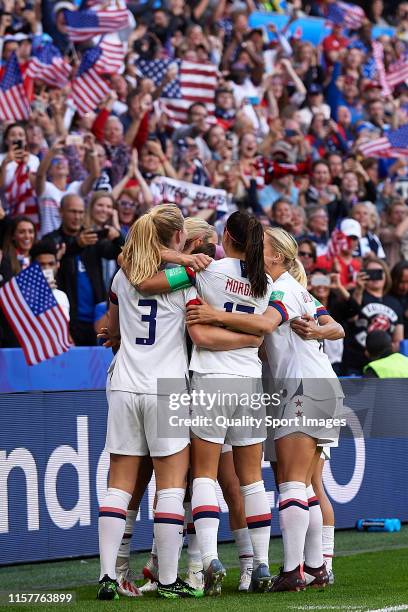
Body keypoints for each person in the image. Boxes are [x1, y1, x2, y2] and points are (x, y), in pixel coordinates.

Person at [98, 205, 262, 600]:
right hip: (170, 384)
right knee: (173, 486)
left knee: (119, 483)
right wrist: (187, 262)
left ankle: (109, 576)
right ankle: (173, 578)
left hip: (123, 382)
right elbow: (194, 321)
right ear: (176, 239)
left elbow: (114, 323)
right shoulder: (187, 280)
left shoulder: (122, 277)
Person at [186, 227, 345, 592]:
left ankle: (292, 571)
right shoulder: (298, 288)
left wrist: (212, 315)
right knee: (305, 485)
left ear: (276, 256)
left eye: (265, 247)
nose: (257, 251)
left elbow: (263, 324)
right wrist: (322, 333)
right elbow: (336, 327)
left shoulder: (281, 288)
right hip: (321, 386)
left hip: (301, 387)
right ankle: (317, 567)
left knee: (291, 483)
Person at [138, 211, 273, 595]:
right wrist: (249, 339)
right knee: (251, 480)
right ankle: (261, 564)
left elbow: (148, 284)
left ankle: (209, 559)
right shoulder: (264, 283)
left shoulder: (207, 272)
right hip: (250, 383)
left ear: (225, 236)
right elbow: (259, 334)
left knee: (203, 475)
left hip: (211, 380)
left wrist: (181, 261)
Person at [43, 195, 124, 346]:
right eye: (72, 212)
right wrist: (77, 245)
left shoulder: (92, 237)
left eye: (80, 212)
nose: (77, 216)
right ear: (61, 212)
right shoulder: (51, 240)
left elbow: (120, 254)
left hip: (95, 317)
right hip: (66, 318)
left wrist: (117, 236)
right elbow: (50, 261)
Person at [341, 257, 404, 375]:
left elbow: (398, 339)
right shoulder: (357, 295)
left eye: (379, 272)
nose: (375, 276)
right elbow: (351, 315)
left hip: (385, 365)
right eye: (370, 273)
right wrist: (359, 289)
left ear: (386, 275)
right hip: (356, 362)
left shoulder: (395, 303)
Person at [30, 239, 70, 321]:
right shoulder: (24, 294)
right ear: (32, 266)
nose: (46, 268)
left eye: (51, 264)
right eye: (41, 264)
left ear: (57, 265)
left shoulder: (62, 296)